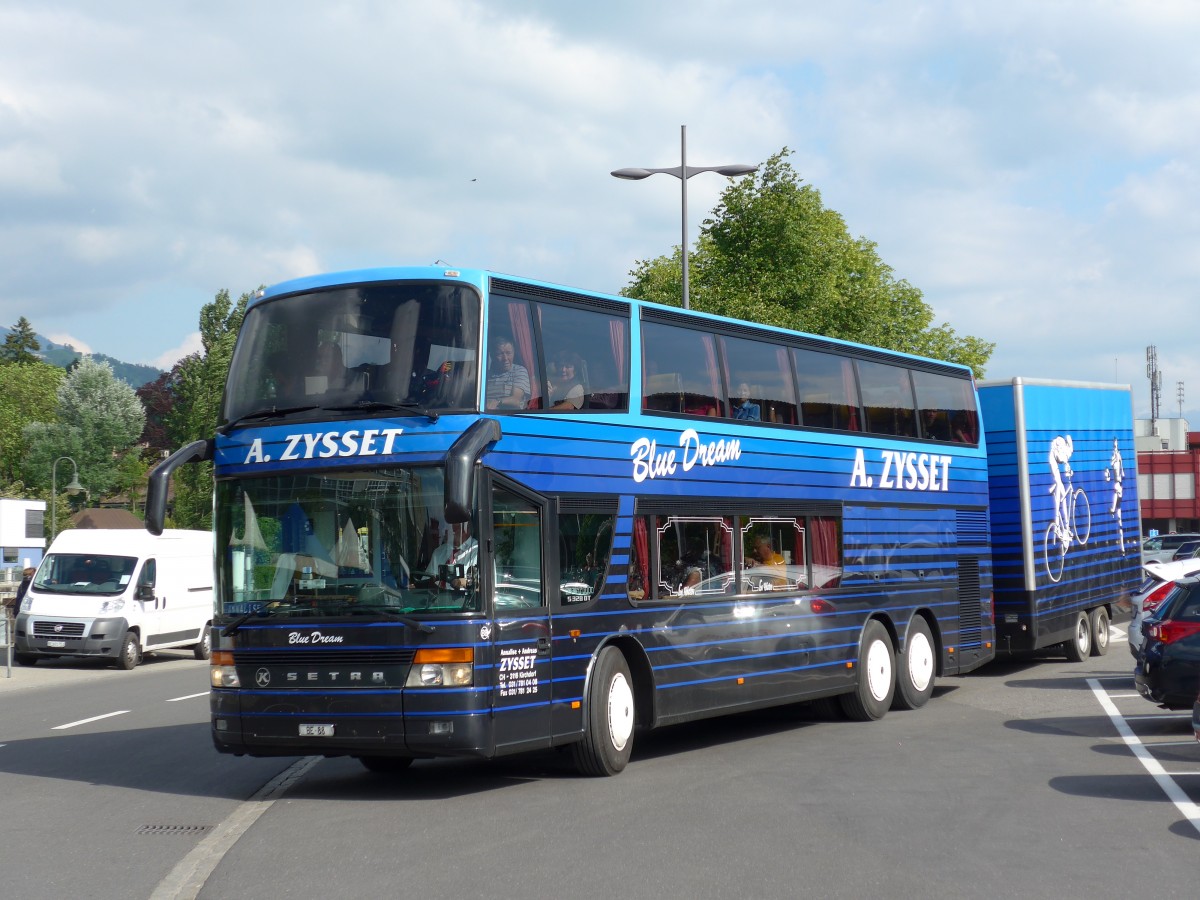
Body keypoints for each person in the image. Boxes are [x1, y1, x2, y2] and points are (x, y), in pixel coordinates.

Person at [427, 520, 478, 590]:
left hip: (465, 599)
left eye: (451, 529)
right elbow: (427, 580)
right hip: (436, 599)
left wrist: (461, 582)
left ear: (464, 530)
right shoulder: (439, 552)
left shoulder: (478, 552)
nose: (444, 532)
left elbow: (481, 585)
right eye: (445, 528)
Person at [485, 338, 530, 409]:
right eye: (500, 354)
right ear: (492, 356)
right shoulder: (485, 375)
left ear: (514, 353)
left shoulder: (519, 371)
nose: (505, 358)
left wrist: (497, 402)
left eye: (508, 353)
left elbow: (516, 400)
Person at [1049, 434, 1074, 551]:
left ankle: (1062, 526)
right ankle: (1060, 526)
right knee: (1062, 493)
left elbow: (1064, 461)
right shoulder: (1065, 450)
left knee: (1060, 488)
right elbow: (1062, 460)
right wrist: (1068, 468)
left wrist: (1068, 468)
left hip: (1055, 461)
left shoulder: (1067, 449)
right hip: (1053, 461)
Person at [1105, 436, 1125, 553]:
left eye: (1116, 444)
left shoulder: (1119, 456)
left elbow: (1121, 470)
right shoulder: (1113, 457)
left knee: (1120, 520)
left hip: (1119, 483)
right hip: (1116, 484)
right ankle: (1121, 548)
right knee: (1117, 489)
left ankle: (1122, 547)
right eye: (1114, 445)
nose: (1116, 446)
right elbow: (1111, 466)